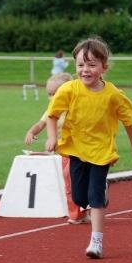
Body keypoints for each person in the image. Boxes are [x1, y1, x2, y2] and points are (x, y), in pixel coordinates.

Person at [45, 37, 132, 259]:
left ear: (103, 67)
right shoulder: (68, 90)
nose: (85, 70)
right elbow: (52, 115)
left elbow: (128, 120)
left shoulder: (113, 95)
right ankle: (98, 194)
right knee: (80, 198)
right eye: (81, 65)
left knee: (95, 197)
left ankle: (96, 241)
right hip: (76, 149)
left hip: (102, 151)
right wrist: (52, 137)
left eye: (91, 65)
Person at [24, 71, 89, 224]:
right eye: (49, 94)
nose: (52, 97)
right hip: (63, 153)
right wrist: (32, 131)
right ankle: (77, 214)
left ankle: (94, 197)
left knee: (70, 176)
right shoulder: (51, 109)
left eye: (55, 93)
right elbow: (42, 123)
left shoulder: (76, 107)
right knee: (69, 183)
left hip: (80, 150)